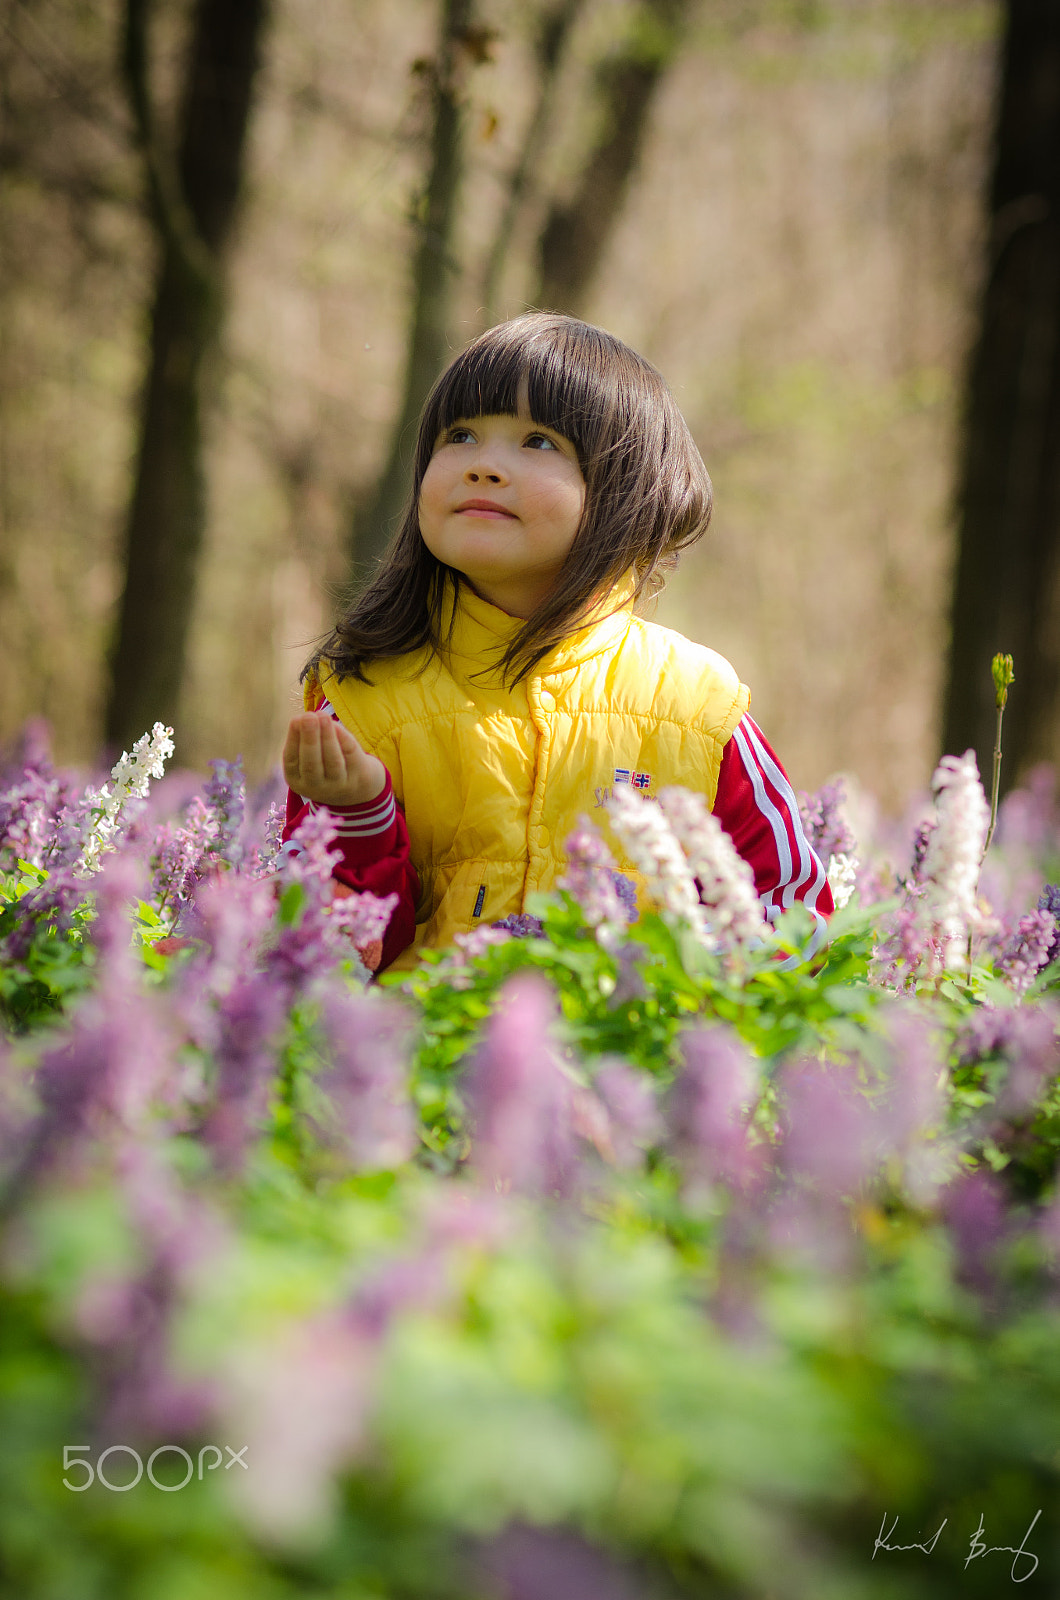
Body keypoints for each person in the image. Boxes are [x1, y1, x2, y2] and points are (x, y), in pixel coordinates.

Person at [280, 313, 833, 972]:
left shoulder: (695, 705)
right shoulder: (365, 699)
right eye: (459, 436)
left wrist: (701, 1008)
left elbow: (794, 912)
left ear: (619, 493)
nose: (484, 466)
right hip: (423, 1065)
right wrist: (358, 815)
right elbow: (327, 956)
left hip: (637, 1063)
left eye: (537, 442)